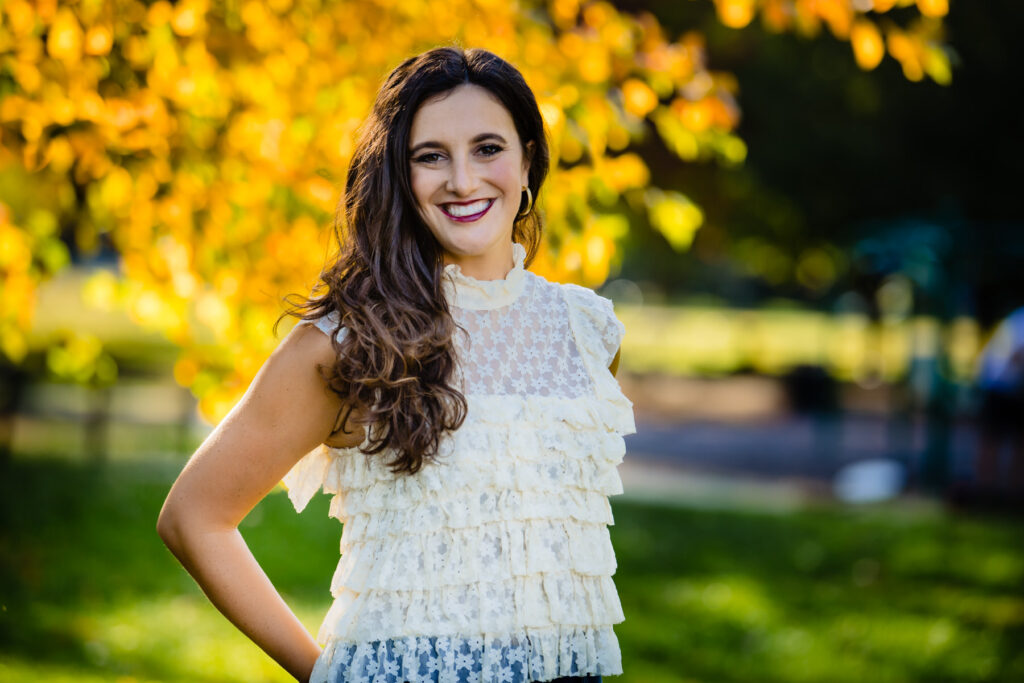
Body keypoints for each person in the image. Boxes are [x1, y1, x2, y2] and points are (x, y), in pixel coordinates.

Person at [157, 46, 635, 683]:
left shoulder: (587, 329)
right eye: (430, 156)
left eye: (488, 148)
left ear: (528, 159)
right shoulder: (348, 341)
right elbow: (194, 517)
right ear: (398, 177)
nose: (462, 180)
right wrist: (323, 676)